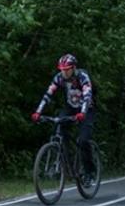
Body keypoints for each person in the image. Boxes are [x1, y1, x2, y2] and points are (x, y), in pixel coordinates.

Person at [31, 53, 96, 185]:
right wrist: (38, 112)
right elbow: (48, 94)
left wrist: (83, 112)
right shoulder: (59, 78)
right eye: (61, 69)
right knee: (58, 127)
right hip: (70, 108)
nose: (64, 72)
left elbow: (88, 95)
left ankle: (89, 172)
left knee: (83, 141)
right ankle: (63, 160)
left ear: (73, 68)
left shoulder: (82, 77)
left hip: (86, 109)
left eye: (66, 70)